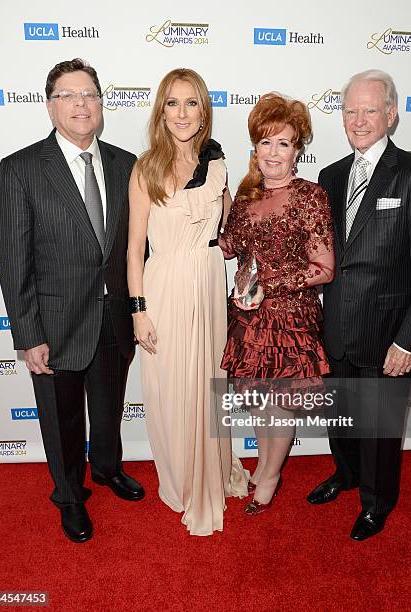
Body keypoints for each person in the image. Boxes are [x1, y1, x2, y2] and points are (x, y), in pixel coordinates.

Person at [0, 58, 145, 544]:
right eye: (68, 95)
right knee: (60, 421)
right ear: (50, 105)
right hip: (55, 323)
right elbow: (13, 260)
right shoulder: (21, 168)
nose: (81, 104)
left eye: (89, 95)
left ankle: (106, 469)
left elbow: (138, 245)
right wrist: (28, 334)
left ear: (102, 103)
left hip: (113, 318)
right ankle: (69, 495)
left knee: (108, 409)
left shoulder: (128, 164)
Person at [307, 69, 411, 541]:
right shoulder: (330, 176)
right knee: (342, 417)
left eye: (370, 109)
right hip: (338, 327)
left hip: (388, 330)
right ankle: (346, 475)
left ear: (391, 114)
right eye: (350, 110)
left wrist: (410, 340)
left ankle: (377, 500)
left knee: (380, 427)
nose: (359, 119)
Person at [127, 68, 247, 536]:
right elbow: (135, 247)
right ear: (162, 110)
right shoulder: (146, 167)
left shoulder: (216, 165)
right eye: (172, 103)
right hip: (163, 286)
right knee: (169, 390)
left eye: (191, 103)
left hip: (208, 285)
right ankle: (181, 480)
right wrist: (139, 309)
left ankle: (212, 472)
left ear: (203, 113)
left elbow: (234, 230)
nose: (181, 113)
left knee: (208, 384)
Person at [220, 92, 334, 515]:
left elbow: (323, 268)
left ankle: (269, 475)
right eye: (266, 142)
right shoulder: (249, 198)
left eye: (283, 143)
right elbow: (229, 247)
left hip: (290, 318)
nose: (273, 152)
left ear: (297, 150)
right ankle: (266, 466)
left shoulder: (310, 196)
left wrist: (270, 282)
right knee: (259, 400)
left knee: (280, 401)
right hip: (249, 316)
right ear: (255, 148)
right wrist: (222, 196)